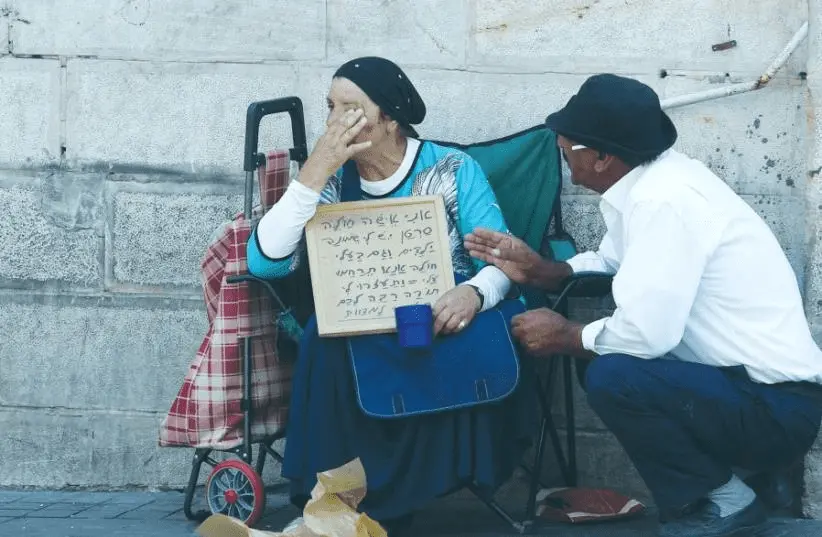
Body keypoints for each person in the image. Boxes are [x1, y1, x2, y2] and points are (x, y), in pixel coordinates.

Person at [465, 73, 822, 537]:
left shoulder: (664, 201)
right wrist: (540, 270)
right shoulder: (653, 183)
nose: (560, 147)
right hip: (752, 395)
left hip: (774, 409)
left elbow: (647, 336)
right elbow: (611, 261)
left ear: (601, 157)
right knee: (602, 359)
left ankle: (722, 501)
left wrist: (566, 335)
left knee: (612, 372)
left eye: (567, 145)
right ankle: (751, 484)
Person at [246, 57, 535, 533]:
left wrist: (472, 293)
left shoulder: (451, 168)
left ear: (389, 119)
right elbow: (265, 262)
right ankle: (342, 494)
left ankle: (424, 483)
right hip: (360, 318)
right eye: (330, 107)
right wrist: (313, 171)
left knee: (475, 331)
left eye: (350, 109)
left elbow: (500, 262)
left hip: (443, 311)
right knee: (321, 339)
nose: (335, 123)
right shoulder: (328, 178)